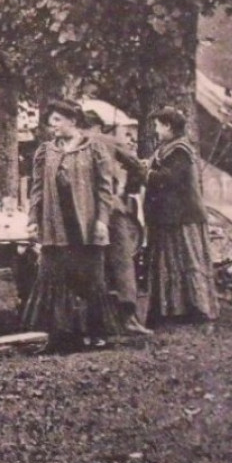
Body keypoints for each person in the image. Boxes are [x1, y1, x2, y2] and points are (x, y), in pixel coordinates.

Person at [21, 98, 120, 351]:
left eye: (57, 120)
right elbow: (37, 189)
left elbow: (105, 189)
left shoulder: (94, 149)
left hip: (85, 223)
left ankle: (98, 333)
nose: (52, 126)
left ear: (73, 121)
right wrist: (33, 218)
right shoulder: (46, 151)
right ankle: (61, 335)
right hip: (55, 224)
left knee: (91, 277)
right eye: (50, 121)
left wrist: (102, 220)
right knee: (54, 275)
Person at [144, 106, 220, 327]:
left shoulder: (180, 151)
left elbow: (168, 178)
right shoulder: (168, 148)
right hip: (169, 217)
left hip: (183, 218)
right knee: (171, 261)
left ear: (168, 126)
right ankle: (174, 310)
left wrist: (144, 173)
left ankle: (196, 310)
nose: (156, 130)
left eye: (157, 126)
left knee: (187, 260)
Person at [84, 108, 152, 337]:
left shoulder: (68, 144)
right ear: (99, 125)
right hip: (112, 208)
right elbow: (138, 168)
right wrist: (127, 188)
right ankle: (127, 317)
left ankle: (96, 320)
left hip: (82, 211)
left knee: (93, 262)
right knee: (122, 261)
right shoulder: (109, 141)